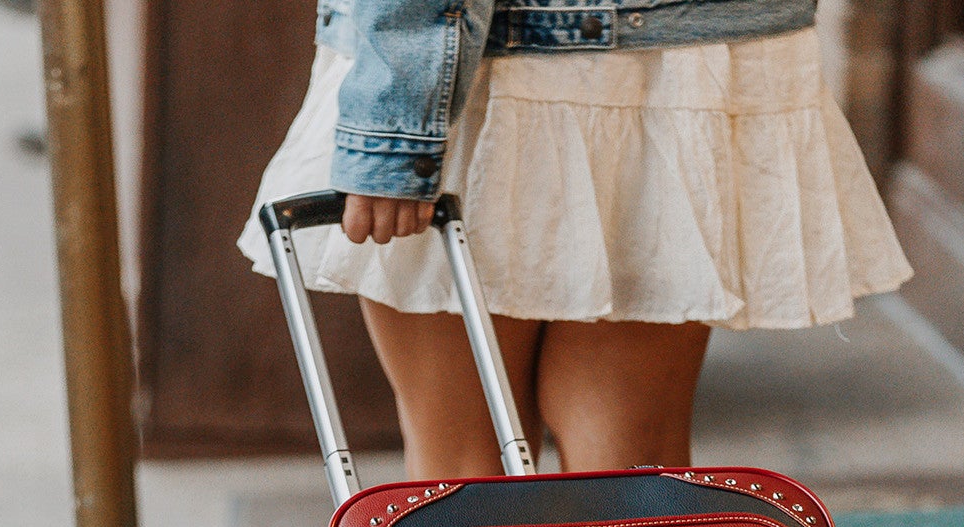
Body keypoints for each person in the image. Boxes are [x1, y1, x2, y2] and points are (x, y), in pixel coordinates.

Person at [240, 0, 910, 478]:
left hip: (497, 63)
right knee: (631, 464)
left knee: (464, 471)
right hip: (691, 51)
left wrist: (394, 130)